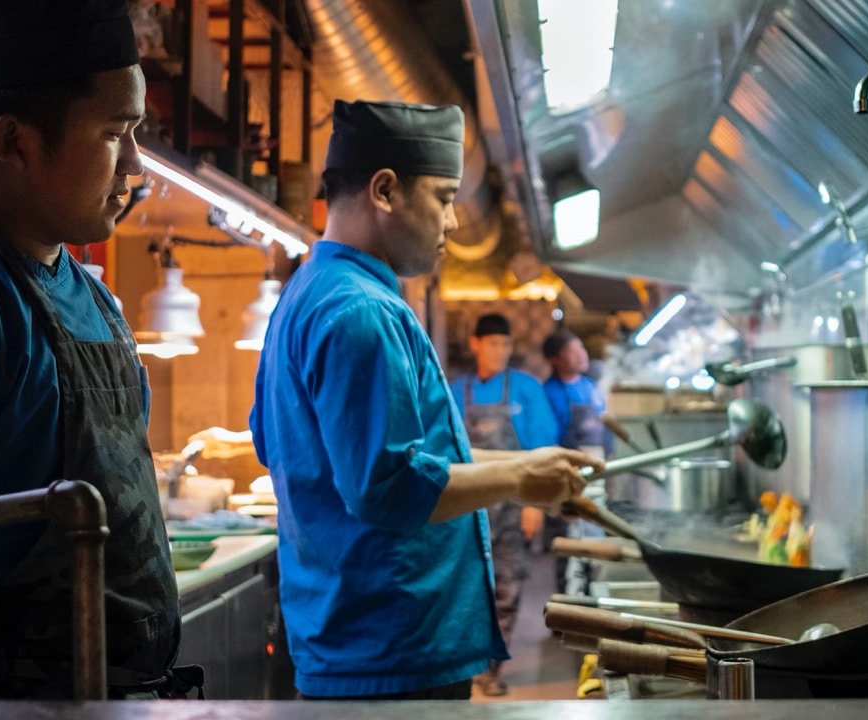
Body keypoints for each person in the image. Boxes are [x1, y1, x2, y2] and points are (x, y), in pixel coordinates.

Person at [249, 100, 600, 701]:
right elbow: (386, 486)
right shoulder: (361, 312)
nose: (455, 222)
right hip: (388, 648)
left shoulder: (307, 295)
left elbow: (393, 457)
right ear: (385, 191)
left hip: (358, 638)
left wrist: (529, 467)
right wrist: (517, 480)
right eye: (443, 198)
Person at [0, 0, 188, 700]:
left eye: (137, 133)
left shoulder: (96, 299)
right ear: (14, 142)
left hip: (121, 694)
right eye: (113, 134)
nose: (134, 165)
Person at [448, 312, 558, 697]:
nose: (500, 350)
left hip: (512, 506)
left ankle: (492, 669)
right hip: (466, 507)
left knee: (506, 587)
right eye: (493, 343)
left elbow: (542, 449)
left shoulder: (526, 388)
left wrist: (535, 504)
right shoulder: (455, 389)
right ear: (476, 344)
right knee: (468, 588)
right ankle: (469, 664)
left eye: (506, 344)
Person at [541, 330, 614, 594]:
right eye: (572, 352)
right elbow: (547, 437)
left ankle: (594, 600)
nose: (581, 356)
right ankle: (569, 609)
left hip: (597, 471)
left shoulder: (590, 387)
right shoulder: (548, 392)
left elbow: (605, 427)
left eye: (581, 348)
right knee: (570, 541)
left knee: (596, 536)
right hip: (568, 473)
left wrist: (610, 461)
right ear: (555, 359)